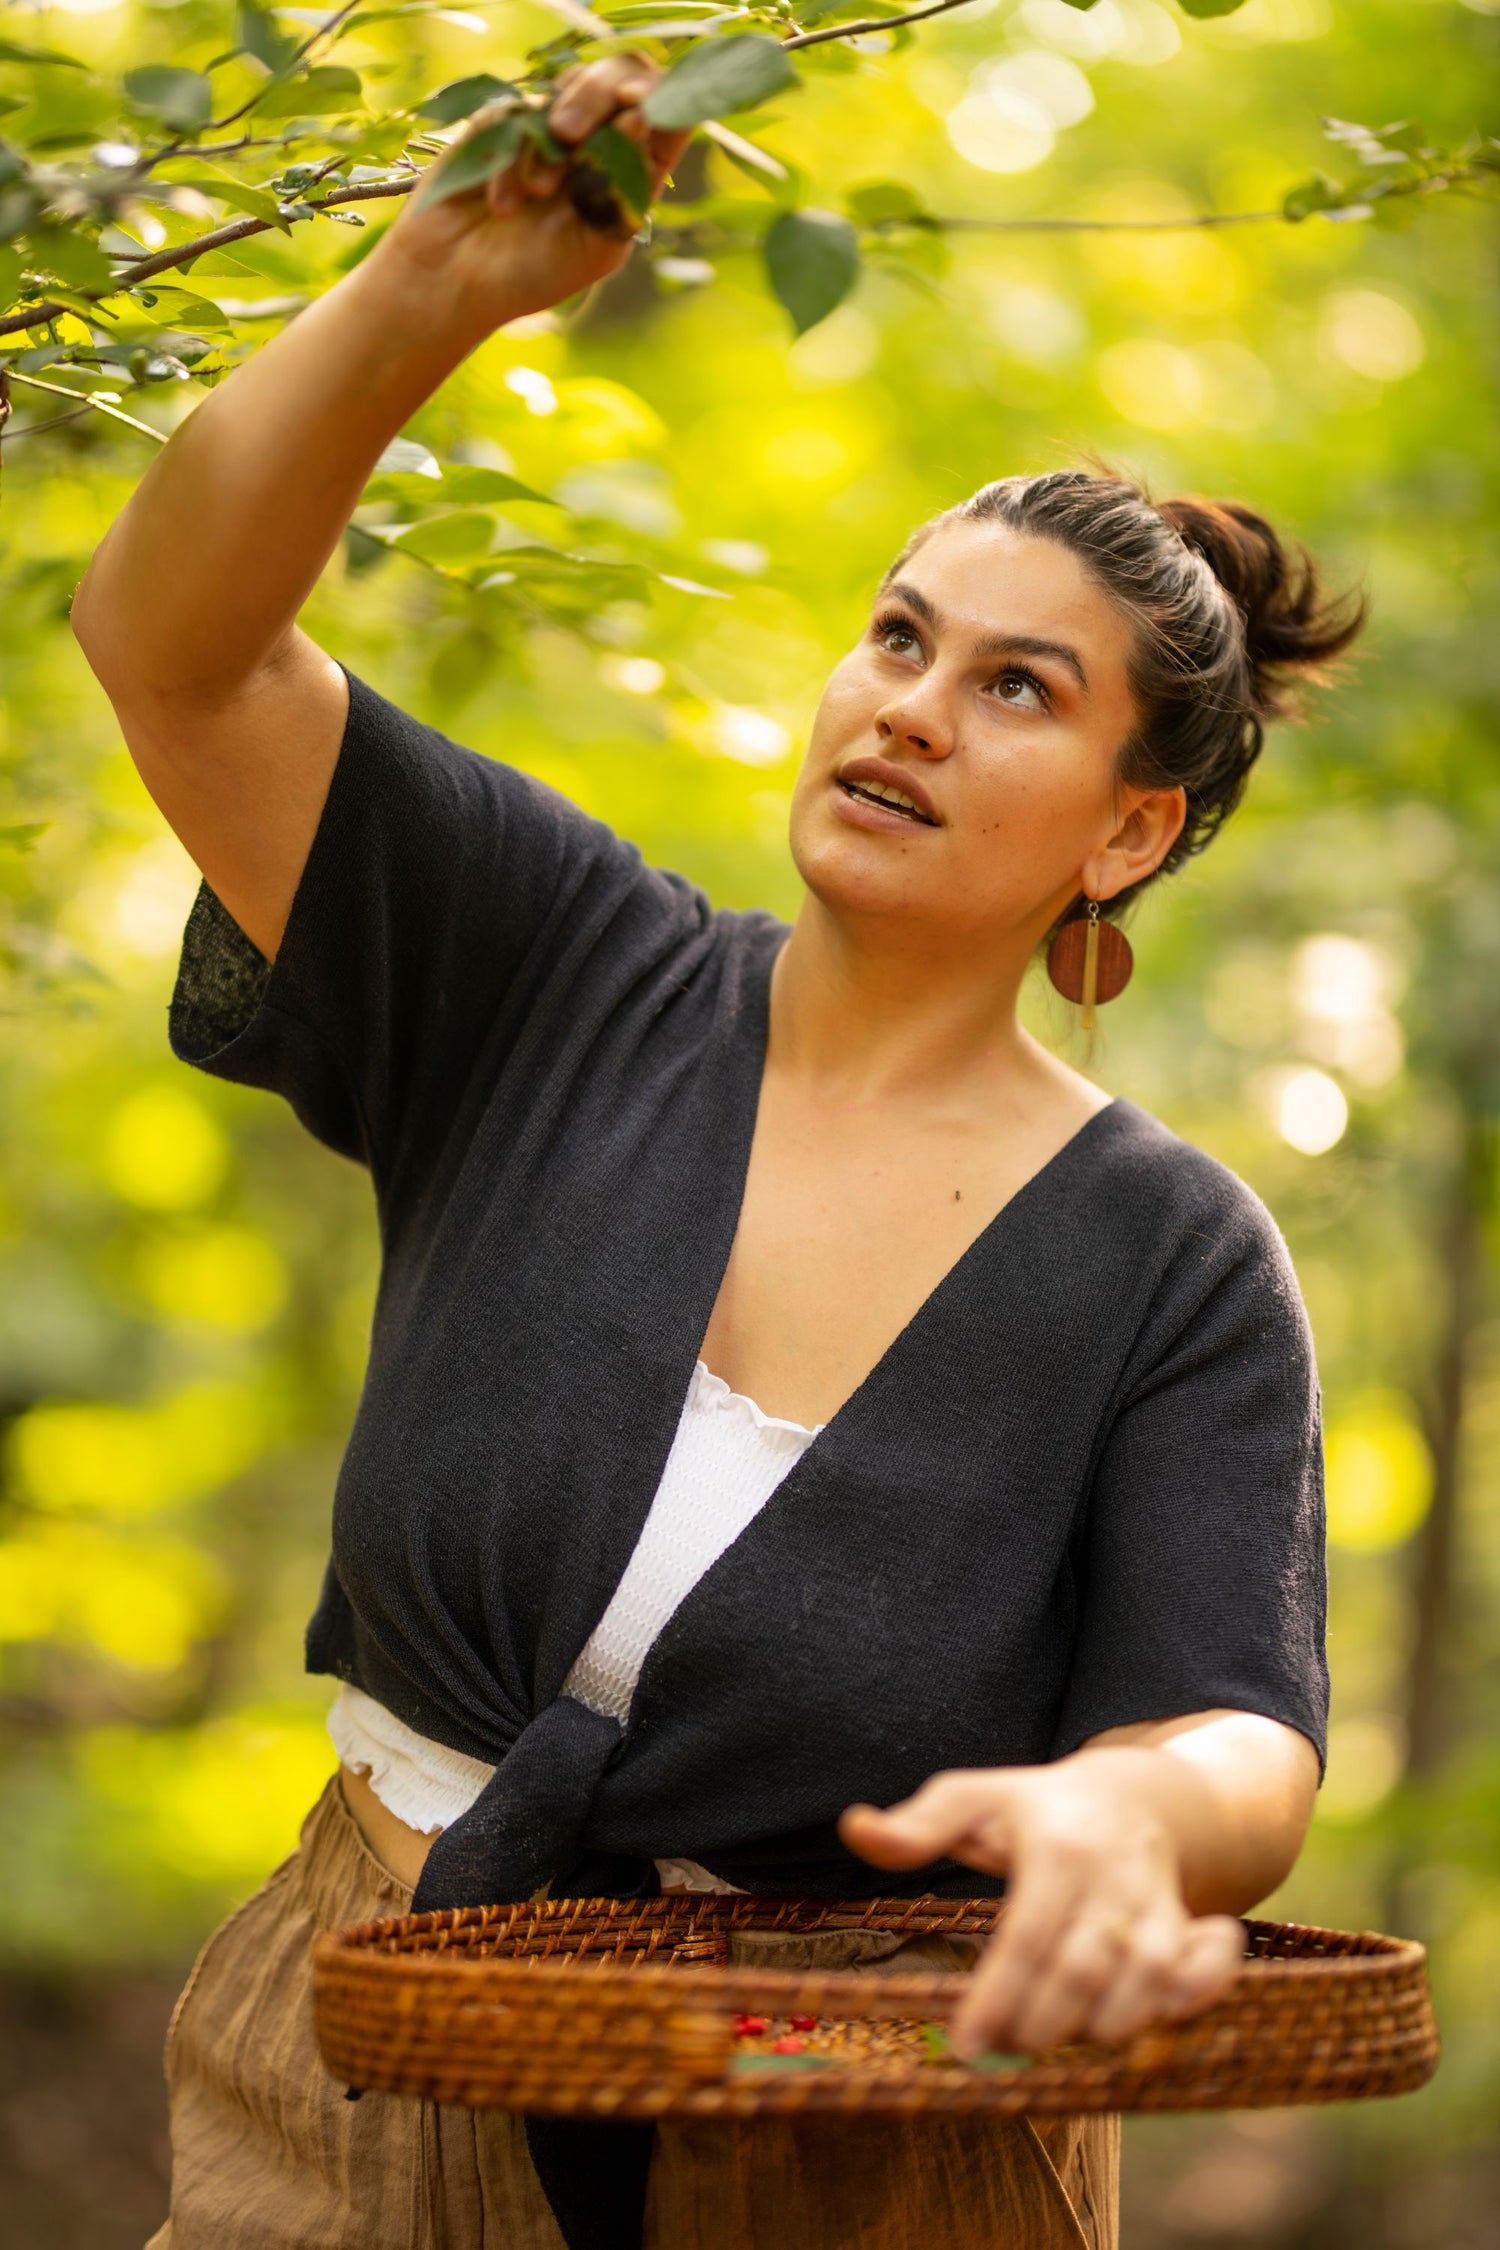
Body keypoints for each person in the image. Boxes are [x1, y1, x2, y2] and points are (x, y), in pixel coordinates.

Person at [71, 50, 1361, 2250]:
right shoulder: (559, 968)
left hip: (869, 2129)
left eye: (1019, 690)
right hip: (365, 2037)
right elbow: (175, 654)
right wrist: (429, 290)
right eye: (895, 637)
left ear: (1133, 832)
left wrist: (1124, 1828)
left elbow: (1229, 1727)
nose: (910, 710)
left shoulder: (1169, 1258)